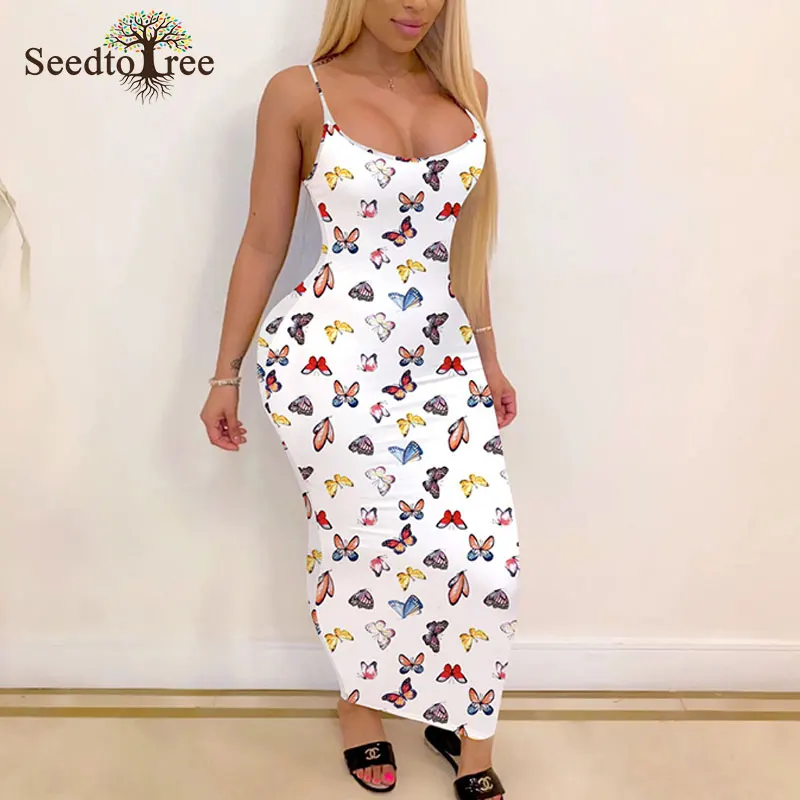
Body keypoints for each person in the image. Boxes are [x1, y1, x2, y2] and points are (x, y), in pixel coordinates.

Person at [200, 2, 520, 797]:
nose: (417, 5)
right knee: (364, 545)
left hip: (441, 359)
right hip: (327, 363)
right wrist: (225, 372)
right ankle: (361, 707)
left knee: (484, 553)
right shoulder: (298, 92)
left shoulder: (469, 88)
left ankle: (468, 730)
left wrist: (489, 358)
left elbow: (465, 245)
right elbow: (264, 240)